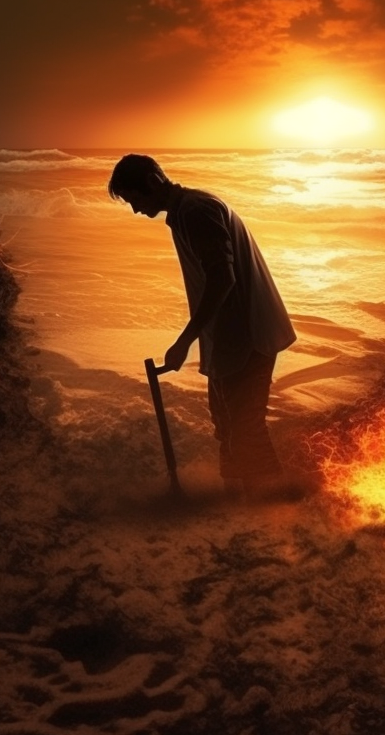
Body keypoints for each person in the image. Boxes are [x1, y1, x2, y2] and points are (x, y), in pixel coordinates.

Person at [108, 154, 297, 498]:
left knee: (243, 425)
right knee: (227, 424)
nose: (135, 210)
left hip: (249, 333)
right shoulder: (184, 213)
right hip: (230, 337)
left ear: (152, 182)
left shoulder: (197, 211)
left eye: (134, 198)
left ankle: (269, 507)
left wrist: (185, 341)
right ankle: (239, 501)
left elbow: (222, 278)